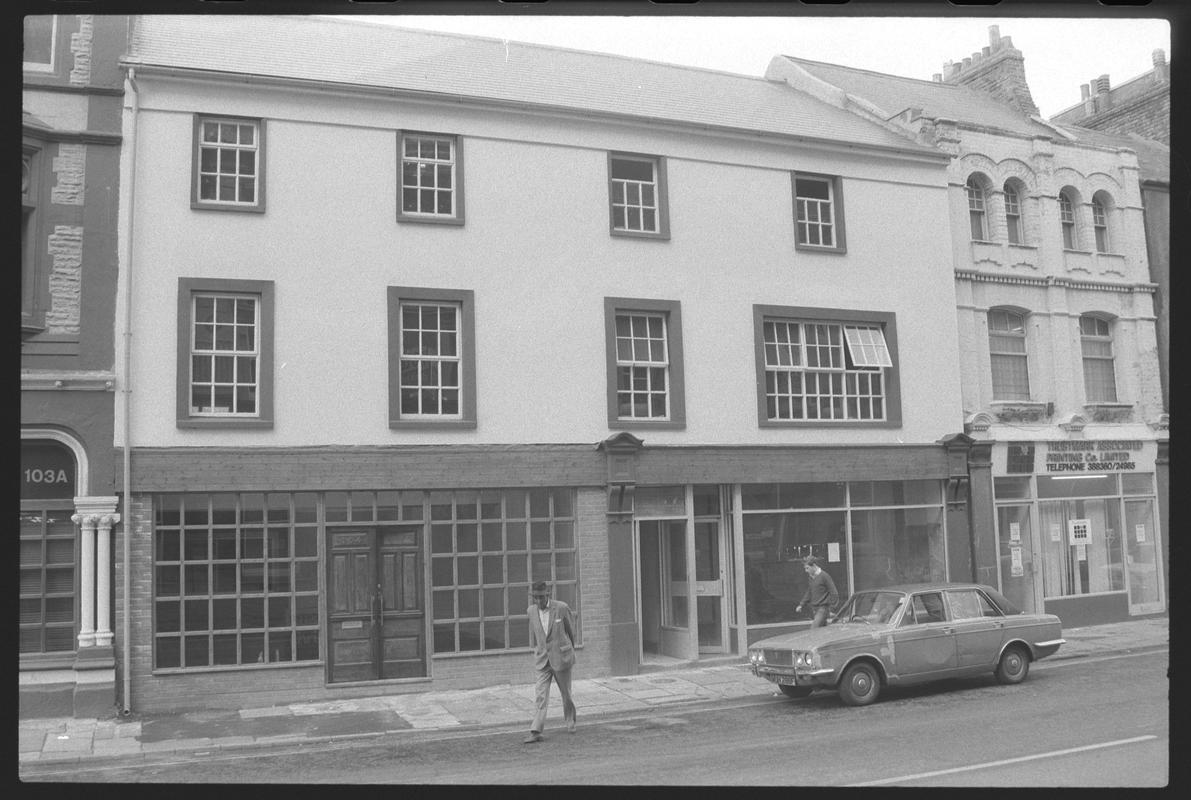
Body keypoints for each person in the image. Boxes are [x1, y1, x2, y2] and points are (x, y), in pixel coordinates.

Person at [523, 580, 577, 743]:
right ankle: (536, 730)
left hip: (561, 657)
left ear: (548, 595)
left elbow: (570, 630)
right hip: (542, 660)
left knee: (566, 693)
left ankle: (570, 721)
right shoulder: (530, 611)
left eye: (541, 597)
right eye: (535, 598)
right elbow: (538, 635)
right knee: (540, 694)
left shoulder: (561, 608)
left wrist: (569, 650)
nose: (538, 601)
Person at [794, 556, 839, 628]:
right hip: (815, 609)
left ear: (814, 566)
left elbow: (834, 593)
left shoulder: (825, 576)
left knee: (814, 629)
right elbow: (809, 591)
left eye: (807, 568)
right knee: (822, 631)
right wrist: (801, 604)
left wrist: (832, 609)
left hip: (823, 609)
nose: (806, 571)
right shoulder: (811, 577)